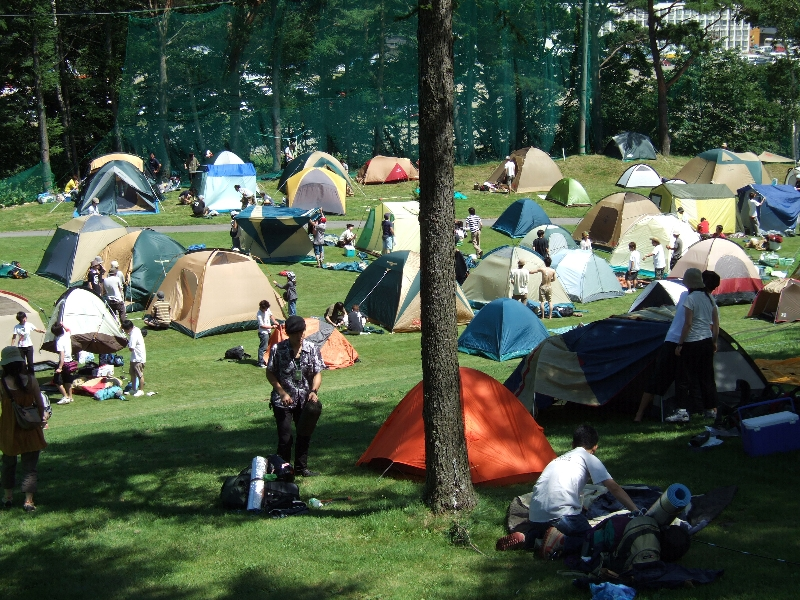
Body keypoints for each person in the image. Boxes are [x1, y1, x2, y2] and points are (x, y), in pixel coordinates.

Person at [495, 425, 639, 553]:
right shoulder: (589, 458)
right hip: (561, 515)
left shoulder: (557, 460)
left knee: (548, 528)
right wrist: (635, 510)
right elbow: (614, 488)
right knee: (592, 538)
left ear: (572, 444)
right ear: (594, 447)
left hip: (535, 516)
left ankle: (528, 538)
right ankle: (559, 543)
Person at [633, 268, 702, 423]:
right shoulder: (698, 298)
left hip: (674, 339)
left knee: (661, 378)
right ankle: (683, 410)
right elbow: (689, 323)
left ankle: (640, 414)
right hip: (680, 341)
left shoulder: (686, 296)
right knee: (680, 378)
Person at [266, 316, 324, 478]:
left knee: (304, 434)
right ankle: (283, 469)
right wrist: (281, 392)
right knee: (285, 437)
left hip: (304, 399)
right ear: (288, 334)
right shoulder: (278, 350)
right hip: (282, 400)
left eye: (301, 332)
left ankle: (301, 467)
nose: (300, 336)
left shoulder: (312, 349)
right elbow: (270, 372)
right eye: (296, 333)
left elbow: (317, 372)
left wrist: (314, 391)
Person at [1, 346, 49, 513]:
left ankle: (7, 497)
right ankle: (28, 501)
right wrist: (41, 420)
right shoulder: (31, 380)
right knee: (30, 467)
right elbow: (40, 404)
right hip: (30, 427)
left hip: (9, 429)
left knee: (8, 464)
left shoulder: (2, 383)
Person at [675, 270, 720, 418]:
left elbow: (688, 324)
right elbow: (715, 324)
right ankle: (711, 409)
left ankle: (682, 411)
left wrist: (680, 344)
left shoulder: (690, 298)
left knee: (684, 377)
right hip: (706, 341)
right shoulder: (709, 298)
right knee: (707, 377)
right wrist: (714, 341)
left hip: (692, 342)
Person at [52, 322, 75, 405]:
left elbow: (62, 355)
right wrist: (63, 324)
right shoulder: (66, 335)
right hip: (70, 361)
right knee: (68, 380)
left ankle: (65, 397)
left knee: (57, 381)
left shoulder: (59, 341)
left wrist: (60, 367)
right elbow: (69, 329)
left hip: (64, 362)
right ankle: (70, 397)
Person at [121, 320, 146, 397]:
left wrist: (126, 342)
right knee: (132, 374)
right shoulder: (136, 329)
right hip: (134, 357)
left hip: (138, 358)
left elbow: (131, 348)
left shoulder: (133, 335)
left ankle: (141, 390)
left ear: (128, 328)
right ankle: (133, 389)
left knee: (139, 374)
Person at [257, 300, 278, 368]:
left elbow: (271, 315)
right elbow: (262, 325)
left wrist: (274, 321)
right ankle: (260, 362)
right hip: (263, 333)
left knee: (268, 346)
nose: (266, 310)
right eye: (265, 309)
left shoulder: (267, 309)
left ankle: (266, 360)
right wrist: (272, 327)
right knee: (263, 347)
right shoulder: (259, 314)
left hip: (268, 331)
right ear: (262, 307)